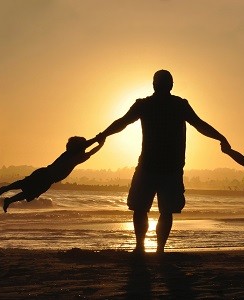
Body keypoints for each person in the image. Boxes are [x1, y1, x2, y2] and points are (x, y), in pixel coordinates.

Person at [96, 69, 229, 253]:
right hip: (166, 167)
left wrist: (103, 135)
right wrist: (221, 138)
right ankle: (157, 249)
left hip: (153, 167)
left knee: (142, 209)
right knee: (161, 211)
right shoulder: (176, 105)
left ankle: (141, 247)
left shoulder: (150, 105)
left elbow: (123, 122)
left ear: (154, 84)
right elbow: (200, 125)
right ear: (171, 85)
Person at [0, 136, 103, 212]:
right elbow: (89, 149)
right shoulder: (71, 155)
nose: (84, 149)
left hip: (48, 179)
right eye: (82, 147)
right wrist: (99, 141)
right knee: (24, 184)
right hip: (45, 175)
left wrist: (99, 142)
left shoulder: (76, 157)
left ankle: (9, 200)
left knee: (29, 192)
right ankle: (5, 189)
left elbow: (90, 151)